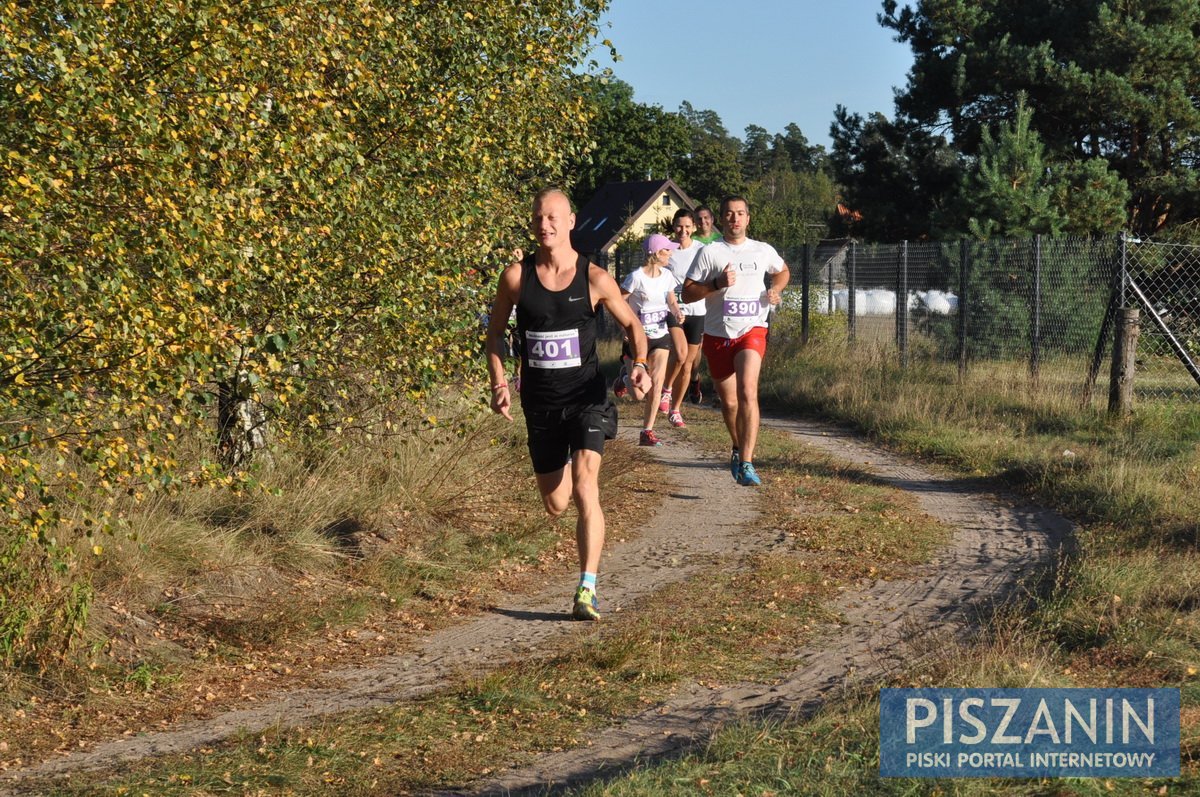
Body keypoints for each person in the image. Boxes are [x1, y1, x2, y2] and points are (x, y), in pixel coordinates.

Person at [487, 188, 651, 620]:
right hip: (540, 405)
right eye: (539, 217)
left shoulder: (594, 278)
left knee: (584, 485)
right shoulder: (516, 278)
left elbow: (633, 326)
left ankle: (587, 588)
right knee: (555, 502)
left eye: (553, 217)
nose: (545, 225)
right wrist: (500, 381)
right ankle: (585, 576)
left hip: (586, 399)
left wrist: (640, 364)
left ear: (571, 220)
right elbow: (495, 335)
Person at [682, 196, 789, 487]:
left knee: (747, 391)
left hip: (752, 330)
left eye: (740, 214)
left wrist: (776, 288)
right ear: (722, 219)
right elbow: (687, 293)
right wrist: (716, 284)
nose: (735, 219)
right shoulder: (710, 252)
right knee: (729, 404)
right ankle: (736, 446)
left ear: (748, 218)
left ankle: (748, 462)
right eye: (729, 214)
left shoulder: (762, 250)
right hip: (718, 335)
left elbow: (782, 270)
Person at [620, 233, 686, 446]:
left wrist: (677, 312)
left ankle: (646, 432)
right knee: (638, 395)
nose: (671, 253)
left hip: (660, 335)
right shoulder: (636, 277)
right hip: (637, 338)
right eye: (667, 250)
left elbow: (672, 300)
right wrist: (625, 327)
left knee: (657, 385)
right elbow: (619, 302)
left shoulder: (667, 276)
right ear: (657, 253)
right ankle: (623, 378)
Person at [662, 209, 706, 427]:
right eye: (679, 226)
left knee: (688, 364)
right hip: (673, 309)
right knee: (679, 355)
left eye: (687, 226)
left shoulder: (703, 250)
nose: (683, 230)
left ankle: (676, 409)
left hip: (698, 311)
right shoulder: (667, 250)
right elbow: (655, 272)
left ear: (694, 227)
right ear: (673, 226)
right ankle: (666, 389)